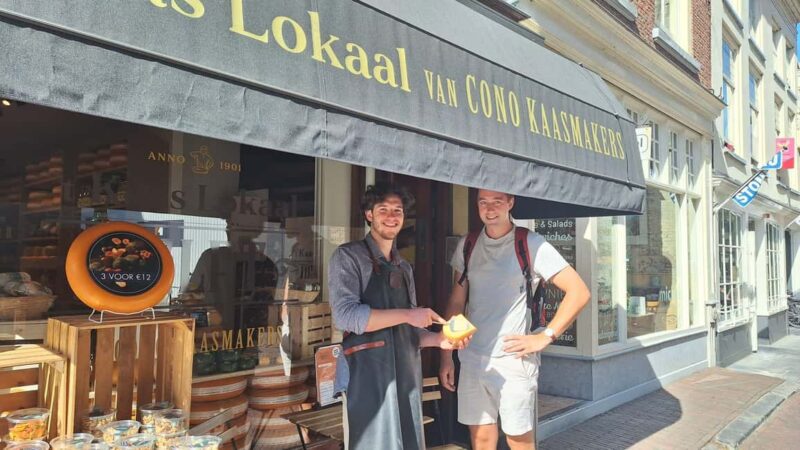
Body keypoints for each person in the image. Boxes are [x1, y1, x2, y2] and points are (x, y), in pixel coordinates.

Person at [439, 189, 590, 450]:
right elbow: (456, 302)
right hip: (473, 358)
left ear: (510, 202)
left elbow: (579, 292)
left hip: (514, 360)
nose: (489, 209)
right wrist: (446, 356)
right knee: (481, 439)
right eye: (483, 202)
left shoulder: (530, 243)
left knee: (518, 439)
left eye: (497, 202)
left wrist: (545, 337)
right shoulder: (468, 244)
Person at [328, 183, 467, 450]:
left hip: (405, 375)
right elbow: (346, 317)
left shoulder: (404, 267)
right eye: (383, 210)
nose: (391, 217)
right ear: (369, 214)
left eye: (398, 211)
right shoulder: (348, 256)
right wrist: (408, 314)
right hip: (366, 376)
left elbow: (411, 333)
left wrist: (439, 341)